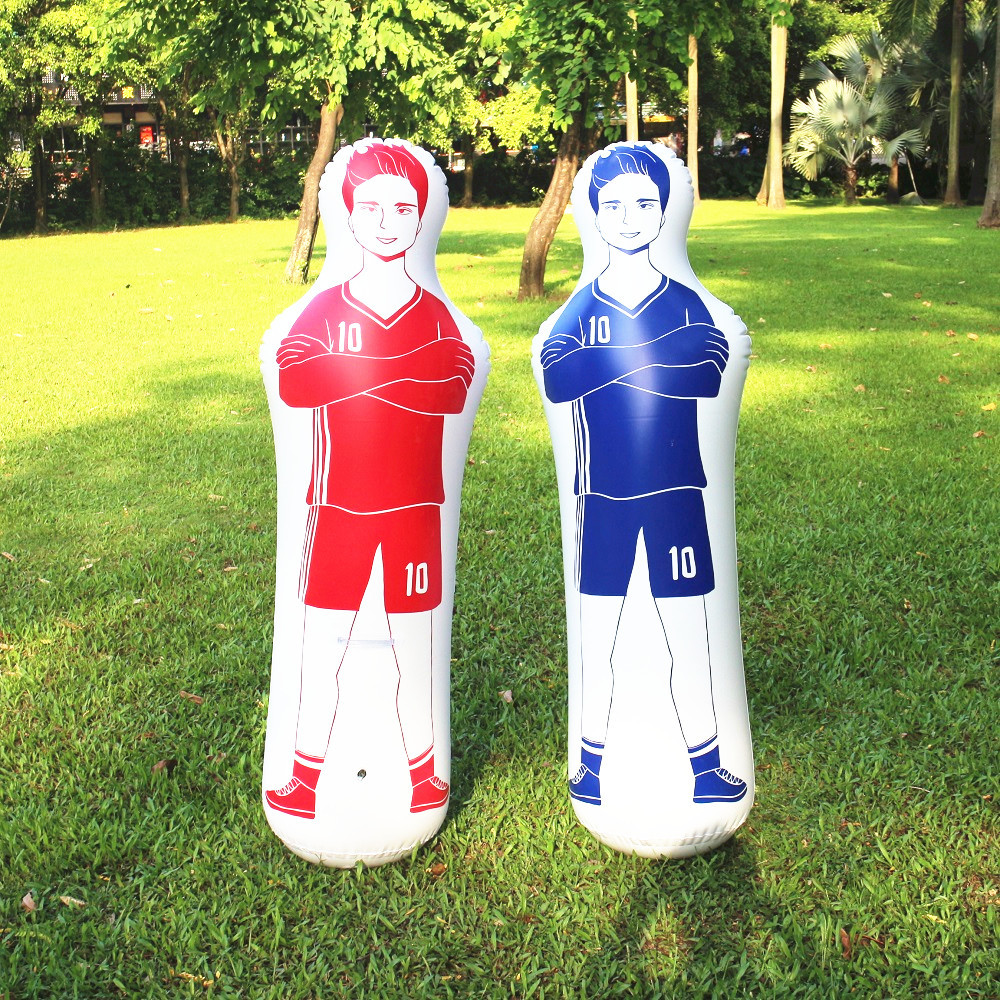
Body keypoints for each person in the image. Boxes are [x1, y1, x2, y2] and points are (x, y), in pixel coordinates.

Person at [265, 141, 475, 819]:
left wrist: (362, 377)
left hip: (414, 510)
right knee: (323, 643)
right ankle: (304, 779)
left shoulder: (436, 315)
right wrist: (406, 372)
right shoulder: (323, 311)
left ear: (422, 218)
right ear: (348, 216)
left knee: (413, 646)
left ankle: (423, 776)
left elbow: (451, 390)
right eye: (373, 208)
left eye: (404, 208)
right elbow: (298, 383)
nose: (388, 222)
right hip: (338, 509)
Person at [539, 144, 747, 807]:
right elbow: (559, 378)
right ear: (595, 215)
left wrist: (612, 360)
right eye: (614, 205)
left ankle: (706, 768)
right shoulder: (579, 307)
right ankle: (591, 766)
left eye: (644, 204)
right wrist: (656, 358)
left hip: (676, 494)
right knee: (598, 632)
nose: (629, 218)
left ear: (665, 213)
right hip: (601, 495)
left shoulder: (686, 302)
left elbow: (706, 374)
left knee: (687, 633)